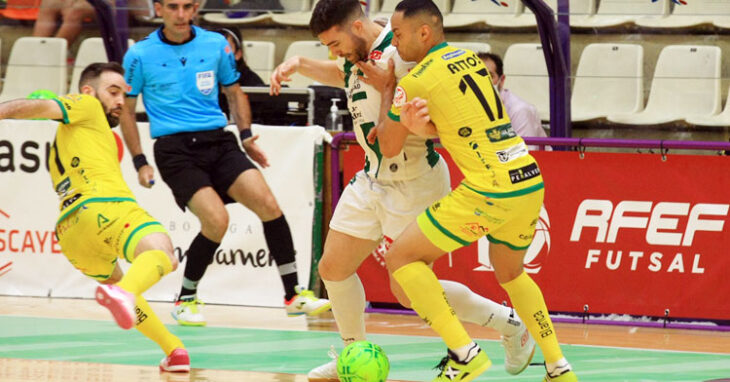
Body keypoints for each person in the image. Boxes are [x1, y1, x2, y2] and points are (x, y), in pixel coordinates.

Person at [270, 0, 535, 380]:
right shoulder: (356, 54)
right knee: (333, 267)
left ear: (357, 28)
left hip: (414, 180)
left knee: (408, 290)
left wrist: (392, 87)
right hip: (371, 177)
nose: (333, 52)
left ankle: (509, 324)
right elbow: (345, 72)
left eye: (334, 43)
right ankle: (353, 352)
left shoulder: (404, 53)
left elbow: (417, 121)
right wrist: (300, 65)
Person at [360, 0, 577, 381]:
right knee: (511, 273)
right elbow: (460, 128)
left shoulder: (416, 79)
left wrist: (392, 91)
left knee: (402, 259)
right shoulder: (472, 60)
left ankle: (464, 353)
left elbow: (389, 147)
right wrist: (421, 127)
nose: (394, 43)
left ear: (424, 32)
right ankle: (559, 367)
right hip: (527, 177)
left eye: (399, 34)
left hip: (489, 189)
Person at [119, 0, 330, 327]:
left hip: (218, 141)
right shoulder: (140, 55)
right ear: (158, 8)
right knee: (216, 221)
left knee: (268, 204)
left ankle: (293, 295)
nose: (181, 14)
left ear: (196, 8)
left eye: (188, 6)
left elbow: (234, 92)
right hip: (175, 150)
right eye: (173, 6)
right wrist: (139, 161)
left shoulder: (215, 44)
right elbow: (127, 113)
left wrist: (245, 136)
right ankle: (186, 299)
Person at [0, 62, 190, 373]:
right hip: (105, 206)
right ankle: (125, 295)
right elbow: (33, 105)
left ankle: (175, 351)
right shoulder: (85, 105)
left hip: (73, 233)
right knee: (162, 254)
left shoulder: (85, 133)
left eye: (124, 95)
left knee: (121, 283)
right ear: (88, 91)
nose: (120, 101)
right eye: (113, 92)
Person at [477, 52, 549, 151]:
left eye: (489, 76)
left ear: (501, 80)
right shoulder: (463, 107)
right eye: (476, 76)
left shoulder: (520, 111)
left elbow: (525, 154)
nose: (483, 82)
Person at [32, 0, 153, 46]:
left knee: (76, 10)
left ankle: (52, 56)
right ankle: (33, 51)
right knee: (49, 2)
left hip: (133, 6)